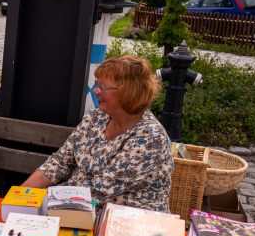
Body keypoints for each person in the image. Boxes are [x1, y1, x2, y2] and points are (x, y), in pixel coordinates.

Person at [22, 55, 173, 212]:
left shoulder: (150, 137)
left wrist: (41, 204)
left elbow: (100, 190)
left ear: (128, 92)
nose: (95, 90)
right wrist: (21, 196)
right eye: (96, 84)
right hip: (77, 209)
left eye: (102, 86)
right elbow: (60, 162)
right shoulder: (96, 118)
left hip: (126, 225)